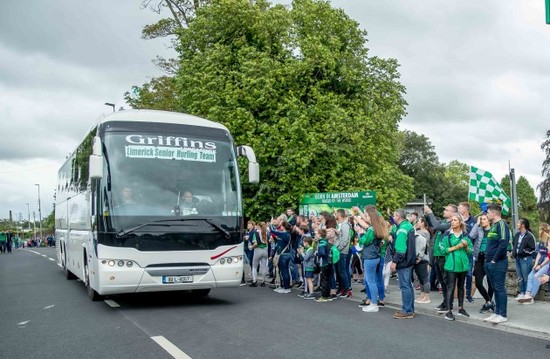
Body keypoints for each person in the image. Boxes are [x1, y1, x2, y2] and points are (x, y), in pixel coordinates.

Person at [354, 205, 388, 313]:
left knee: (370, 281)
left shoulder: (371, 230)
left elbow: (363, 241)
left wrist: (360, 234)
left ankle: (374, 303)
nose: (366, 217)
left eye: (367, 215)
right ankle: (375, 301)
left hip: (370, 257)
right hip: (375, 257)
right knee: (373, 280)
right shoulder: (376, 229)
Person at [424, 204, 457, 314]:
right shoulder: (443, 221)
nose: (444, 211)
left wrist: (430, 213)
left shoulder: (450, 223)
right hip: (437, 256)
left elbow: (437, 226)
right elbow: (432, 225)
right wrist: (427, 215)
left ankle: (448, 304)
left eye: (446, 210)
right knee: (441, 281)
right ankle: (445, 302)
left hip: (444, 257)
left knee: (447, 281)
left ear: (453, 213)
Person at [440, 213, 473, 321]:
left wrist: (466, 246)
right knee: (451, 287)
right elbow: (443, 250)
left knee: (461, 287)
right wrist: (457, 246)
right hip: (451, 265)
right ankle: (449, 311)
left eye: (455, 220)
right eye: (452, 220)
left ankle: (461, 308)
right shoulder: (447, 235)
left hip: (463, 265)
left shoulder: (465, 236)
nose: (452, 222)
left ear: (460, 222)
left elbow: (470, 251)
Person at [483, 203, 511, 324]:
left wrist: (494, 259)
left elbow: (503, 243)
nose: (487, 214)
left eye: (488, 212)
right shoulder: (494, 225)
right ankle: (497, 312)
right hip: (489, 262)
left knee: (499, 288)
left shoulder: (502, 224)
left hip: (498, 262)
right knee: (495, 288)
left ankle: (502, 314)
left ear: (494, 213)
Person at [391, 209, 417, 319]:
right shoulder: (408, 226)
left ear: (398, 216)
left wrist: (394, 262)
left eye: (394, 215)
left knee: (405, 286)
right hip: (410, 260)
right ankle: (410, 309)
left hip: (403, 261)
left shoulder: (401, 229)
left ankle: (406, 311)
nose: (393, 217)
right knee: (409, 286)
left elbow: (400, 249)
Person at [518, 223, 550, 304]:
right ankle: (527, 294)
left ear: (544, 230)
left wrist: (540, 265)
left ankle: (531, 296)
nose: (539, 231)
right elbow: (539, 254)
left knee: (536, 276)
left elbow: (549, 256)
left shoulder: (548, 241)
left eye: (540, 229)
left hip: (546, 263)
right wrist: (536, 264)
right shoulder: (541, 241)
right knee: (530, 276)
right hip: (540, 263)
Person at [469, 213, 495, 313]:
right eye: (482, 219)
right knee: (478, 283)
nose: (482, 221)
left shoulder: (493, 230)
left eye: (484, 219)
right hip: (479, 258)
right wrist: (477, 224)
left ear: (489, 221)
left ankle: (488, 303)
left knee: (490, 283)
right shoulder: (479, 229)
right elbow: (471, 236)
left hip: (489, 257)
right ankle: (489, 301)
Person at [511, 218, 536, 300]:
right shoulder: (517, 235)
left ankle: (528, 294)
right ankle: (522, 292)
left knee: (526, 277)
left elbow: (532, 248)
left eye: (518, 223)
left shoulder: (529, 235)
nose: (517, 224)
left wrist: (523, 251)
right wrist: (514, 253)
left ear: (523, 225)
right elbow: (514, 244)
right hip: (517, 258)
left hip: (525, 259)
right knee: (520, 277)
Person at [458, 202, 477, 302]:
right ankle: (458, 293)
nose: (458, 209)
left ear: (464, 210)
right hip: (458, 249)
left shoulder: (474, 221)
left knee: (469, 273)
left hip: (469, 251)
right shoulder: (457, 220)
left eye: (459, 208)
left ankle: (468, 294)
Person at [334, 209, 352, 298]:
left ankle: (347, 289)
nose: (335, 215)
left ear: (339, 215)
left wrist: (338, 248)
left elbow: (345, 240)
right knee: (339, 271)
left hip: (342, 252)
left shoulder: (345, 225)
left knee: (342, 271)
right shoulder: (341, 225)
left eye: (336, 214)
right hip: (339, 251)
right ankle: (342, 288)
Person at [414, 218, 431, 304]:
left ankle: (427, 296)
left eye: (418, 221)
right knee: (420, 278)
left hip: (423, 258)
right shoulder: (418, 231)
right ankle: (422, 294)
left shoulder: (424, 233)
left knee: (424, 278)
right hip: (417, 257)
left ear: (423, 223)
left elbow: (423, 245)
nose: (417, 223)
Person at [315, 229, 334, 302]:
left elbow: (322, 253)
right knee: (327, 279)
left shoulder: (321, 243)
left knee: (324, 280)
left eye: (317, 233)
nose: (316, 235)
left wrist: (317, 253)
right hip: (329, 262)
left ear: (320, 235)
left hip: (324, 263)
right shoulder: (326, 241)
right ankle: (328, 295)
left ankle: (324, 296)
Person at [249, 222, 269, 287]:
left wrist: (251, 247)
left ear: (259, 226)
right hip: (265, 250)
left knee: (254, 266)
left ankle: (254, 281)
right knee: (264, 267)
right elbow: (271, 240)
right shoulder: (267, 232)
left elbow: (256, 243)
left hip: (258, 250)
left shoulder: (256, 233)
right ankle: (263, 282)